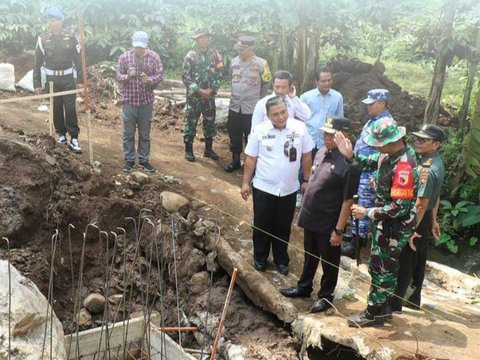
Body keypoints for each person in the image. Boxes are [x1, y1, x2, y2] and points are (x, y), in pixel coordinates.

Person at [334, 117, 418, 327]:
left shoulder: (404, 166)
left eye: (378, 144)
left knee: (383, 267)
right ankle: (383, 308)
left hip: (395, 225)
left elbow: (400, 207)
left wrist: (368, 212)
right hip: (385, 221)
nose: (375, 147)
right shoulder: (388, 155)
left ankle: (374, 313)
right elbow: (368, 162)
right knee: (379, 265)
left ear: (391, 141)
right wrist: (350, 155)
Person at [280, 117, 361, 313]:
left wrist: (339, 230)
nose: (327, 138)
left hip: (329, 220)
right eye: (325, 133)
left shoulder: (350, 163)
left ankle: (326, 296)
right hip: (312, 216)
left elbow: (348, 200)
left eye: (332, 135)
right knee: (309, 254)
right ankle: (304, 286)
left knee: (329, 261)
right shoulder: (322, 153)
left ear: (345, 135)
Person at [241, 96, 314, 275]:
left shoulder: (299, 128)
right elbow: (251, 158)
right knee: (261, 224)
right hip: (264, 187)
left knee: (283, 226)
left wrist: (306, 179)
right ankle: (260, 258)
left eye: (283, 112)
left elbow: (306, 155)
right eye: (276, 114)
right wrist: (245, 183)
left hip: (289, 189)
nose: (281, 117)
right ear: (267, 115)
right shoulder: (259, 131)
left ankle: (281, 259)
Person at [390, 124, 445, 312]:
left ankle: (394, 303)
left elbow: (421, 203)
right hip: (425, 217)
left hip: (418, 218)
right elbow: (434, 197)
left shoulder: (427, 170)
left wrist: (411, 229)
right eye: (418, 138)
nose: (418, 142)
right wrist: (434, 220)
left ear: (436, 144)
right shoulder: (434, 162)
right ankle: (412, 300)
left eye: (423, 140)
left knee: (405, 259)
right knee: (418, 259)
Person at [341, 89, 392, 259]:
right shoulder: (373, 120)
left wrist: (361, 160)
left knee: (364, 204)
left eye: (371, 103)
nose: (367, 107)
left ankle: (358, 243)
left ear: (382, 103)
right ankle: (355, 234)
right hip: (361, 167)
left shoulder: (385, 123)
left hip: (370, 172)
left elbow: (384, 153)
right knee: (357, 202)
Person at [33, 7, 83, 154]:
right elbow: (37, 63)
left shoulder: (71, 37)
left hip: (68, 79)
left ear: (62, 21)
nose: (54, 23)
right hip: (51, 80)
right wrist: (37, 84)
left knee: (70, 109)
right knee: (56, 108)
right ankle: (61, 135)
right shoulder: (42, 39)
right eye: (51, 20)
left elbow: (78, 59)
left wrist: (80, 80)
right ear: (48, 21)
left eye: (57, 20)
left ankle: (74, 138)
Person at [116, 31, 164, 173]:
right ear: (133, 45)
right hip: (129, 101)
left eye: (141, 48)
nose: (138, 50)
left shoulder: (154, 57)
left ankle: (144, 160)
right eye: (136, 47)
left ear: (146, 45)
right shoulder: (125, 57)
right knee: (128, 133)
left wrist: (149, 80)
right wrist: (127, 76)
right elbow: (118, 75)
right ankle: (129, 160)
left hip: (146, 102)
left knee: (145, 134)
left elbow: (160, 75)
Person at [296, 68, 343, 207]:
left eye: (329, 80)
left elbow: (339, 118)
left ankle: (316, 195)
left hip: (327, 141)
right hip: (309, 138)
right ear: (316, 81)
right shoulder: (306, 97)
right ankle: (300, 194)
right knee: (304, 166)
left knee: (323, 169)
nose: (327, 83)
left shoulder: (337, 97)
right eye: (323, 81)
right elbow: (299, 118)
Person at [225, 36, 272, 172]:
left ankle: (250, 164)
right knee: (234, 133)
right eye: (239, 49)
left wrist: (259, 101)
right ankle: (235, 160)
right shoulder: (234, 62)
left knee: (251, 135)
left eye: (243, 49)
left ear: (251, 49)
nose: (240, 52)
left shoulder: (262, 64)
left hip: (252, 108)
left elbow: (266, 83)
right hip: (235, 105)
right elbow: (231, 79)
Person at [182, 28, 224, 162]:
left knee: (210, 122)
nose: (203, 40)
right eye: (200, 37)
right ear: (197, 40)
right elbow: (185, 76)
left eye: (205, 37)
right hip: (194, 97)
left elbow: (220, 72)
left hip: (209, 97)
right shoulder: (190, 56)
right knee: (191, 122)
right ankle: (188, 150)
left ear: (208, 38)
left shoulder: (215, 55)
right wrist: (199, 90)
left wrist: (212, 90)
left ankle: (208, 149)